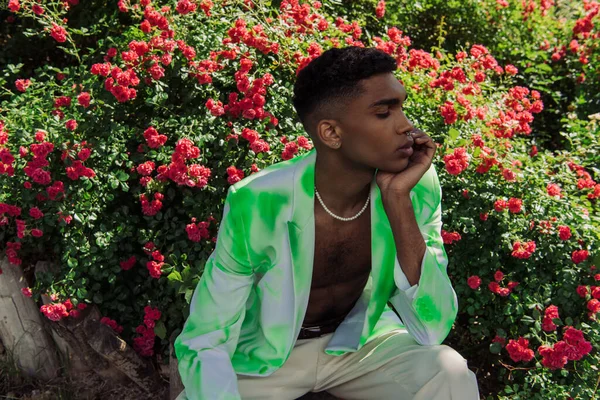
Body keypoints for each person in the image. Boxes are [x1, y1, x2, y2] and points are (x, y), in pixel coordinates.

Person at [174, 46, 480, 400]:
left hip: (362, 343)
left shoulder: (416, 185)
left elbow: (433, 324)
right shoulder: (259, 201)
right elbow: (206, 337)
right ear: (332, 133)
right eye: (384, 113)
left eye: (401, 107)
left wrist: (397, 203)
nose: (405, 126)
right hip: (268, 357)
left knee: (449, 374)